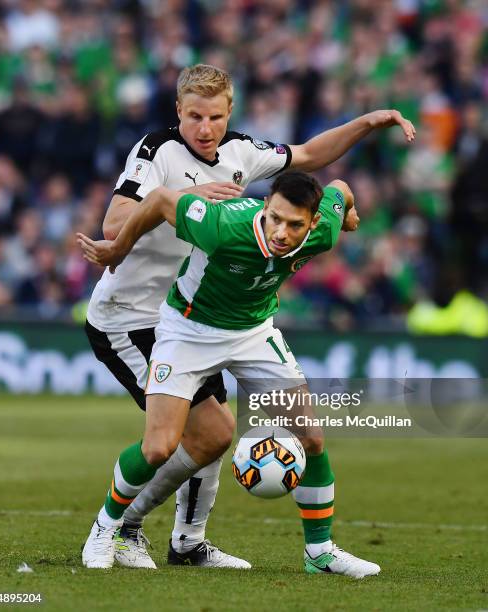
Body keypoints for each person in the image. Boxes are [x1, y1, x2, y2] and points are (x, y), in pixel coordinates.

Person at [84, 63, 415, 569]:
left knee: (218, 434)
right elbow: (114, 222)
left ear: (229, 112)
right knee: (190, 436)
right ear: (178, 112)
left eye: (215, 116)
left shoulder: (241, 153)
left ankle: (192, 544)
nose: (205, 128)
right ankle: (122, 529)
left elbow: (309, 158)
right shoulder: (156, 152)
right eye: (194, 116)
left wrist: (366, 123)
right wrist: (192, 199)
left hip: (225, 313)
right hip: (132, 316)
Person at [77, 170, 382, 578]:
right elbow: (160, 200)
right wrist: (119, 248)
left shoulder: (324, 231)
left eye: (295, 225)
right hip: (188, 330)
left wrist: (348, 210)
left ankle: (319, 553)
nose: (281, 232)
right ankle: (105, 528)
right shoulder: (223, 226)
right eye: (275, 218)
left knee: (310, 437)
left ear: (312, 223)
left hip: (253, 333)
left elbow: (340, 188)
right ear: (266, 205)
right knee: (159, 447)